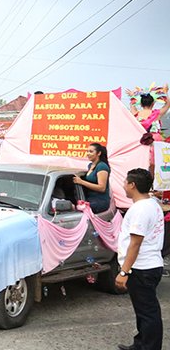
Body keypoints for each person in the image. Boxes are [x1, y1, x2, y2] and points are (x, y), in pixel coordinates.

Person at [115, 168, 164, 350]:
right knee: (144, 311)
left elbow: (135, 243)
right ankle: (141, 344)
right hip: (148, 265)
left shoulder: (141, 209)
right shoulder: (151, 204)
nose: (123, 186)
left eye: (125, 182)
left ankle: (149, 347)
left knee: (148, 312)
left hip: (142, 268)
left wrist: (123, 272)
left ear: (132, 185)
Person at [73, 143, 111, 213]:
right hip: (89, 199)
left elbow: (102, 188)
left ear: (99, 153)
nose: (88, 154)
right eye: (87, 151)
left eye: (91, 151)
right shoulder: (90, 165)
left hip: (100, 201)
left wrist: (81, 182)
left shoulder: (102, 166)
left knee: (76, 209)